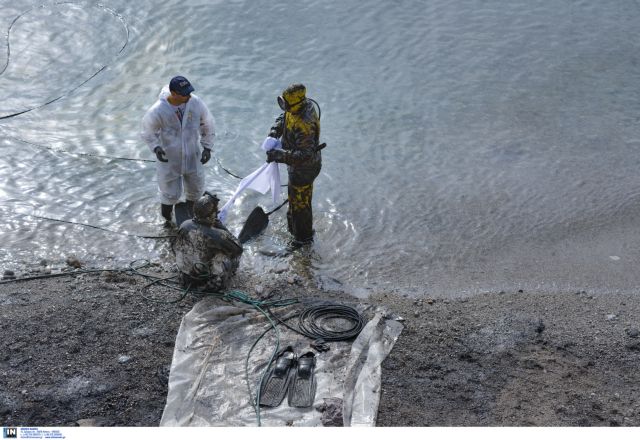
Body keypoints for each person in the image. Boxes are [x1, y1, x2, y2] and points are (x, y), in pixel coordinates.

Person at [141, 76, 216, 223]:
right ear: (173, 93)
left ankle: (193, 221)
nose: (188, 96)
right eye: (184, 94)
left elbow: (207, 123)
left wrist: (207, 147)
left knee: (195, 190)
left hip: (192, 156)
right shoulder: (158, 110)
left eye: (189, 92)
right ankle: (167, 223)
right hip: (170, 159)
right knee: (169, 194)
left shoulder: (195, 102)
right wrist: (156, 148)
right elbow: (148, 132)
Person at [265, 83, 321, 243]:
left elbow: (304, 154)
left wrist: (278, 155)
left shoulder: (305, 124)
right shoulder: (297, 107)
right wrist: (276, 129)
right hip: (296, 166)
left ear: (297, 103)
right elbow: (284, 117)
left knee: (301, 206)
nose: (285, 108)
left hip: (305, 169)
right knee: (294, 200)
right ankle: (293, 230)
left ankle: (303, 239)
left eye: (286, 105)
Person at [171, 193, 243, 291]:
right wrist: (222, 227)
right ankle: (222, 282)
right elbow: (238, 249)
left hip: (184, 277)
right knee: (229, 257)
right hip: (207, 284)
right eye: (215, 212)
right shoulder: (218, 234)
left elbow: (175, 246)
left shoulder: (184, 225)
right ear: (211, 215)